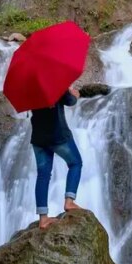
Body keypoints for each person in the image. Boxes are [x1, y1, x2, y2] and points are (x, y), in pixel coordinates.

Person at [30, 86, 83, 229]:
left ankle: (43, 218)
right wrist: (74, 93)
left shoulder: (29, 86)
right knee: (75, 163)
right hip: (57, 135)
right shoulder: (53, 81)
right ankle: (69, 201)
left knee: (43, 175)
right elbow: (69, 101)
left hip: (38, 137)